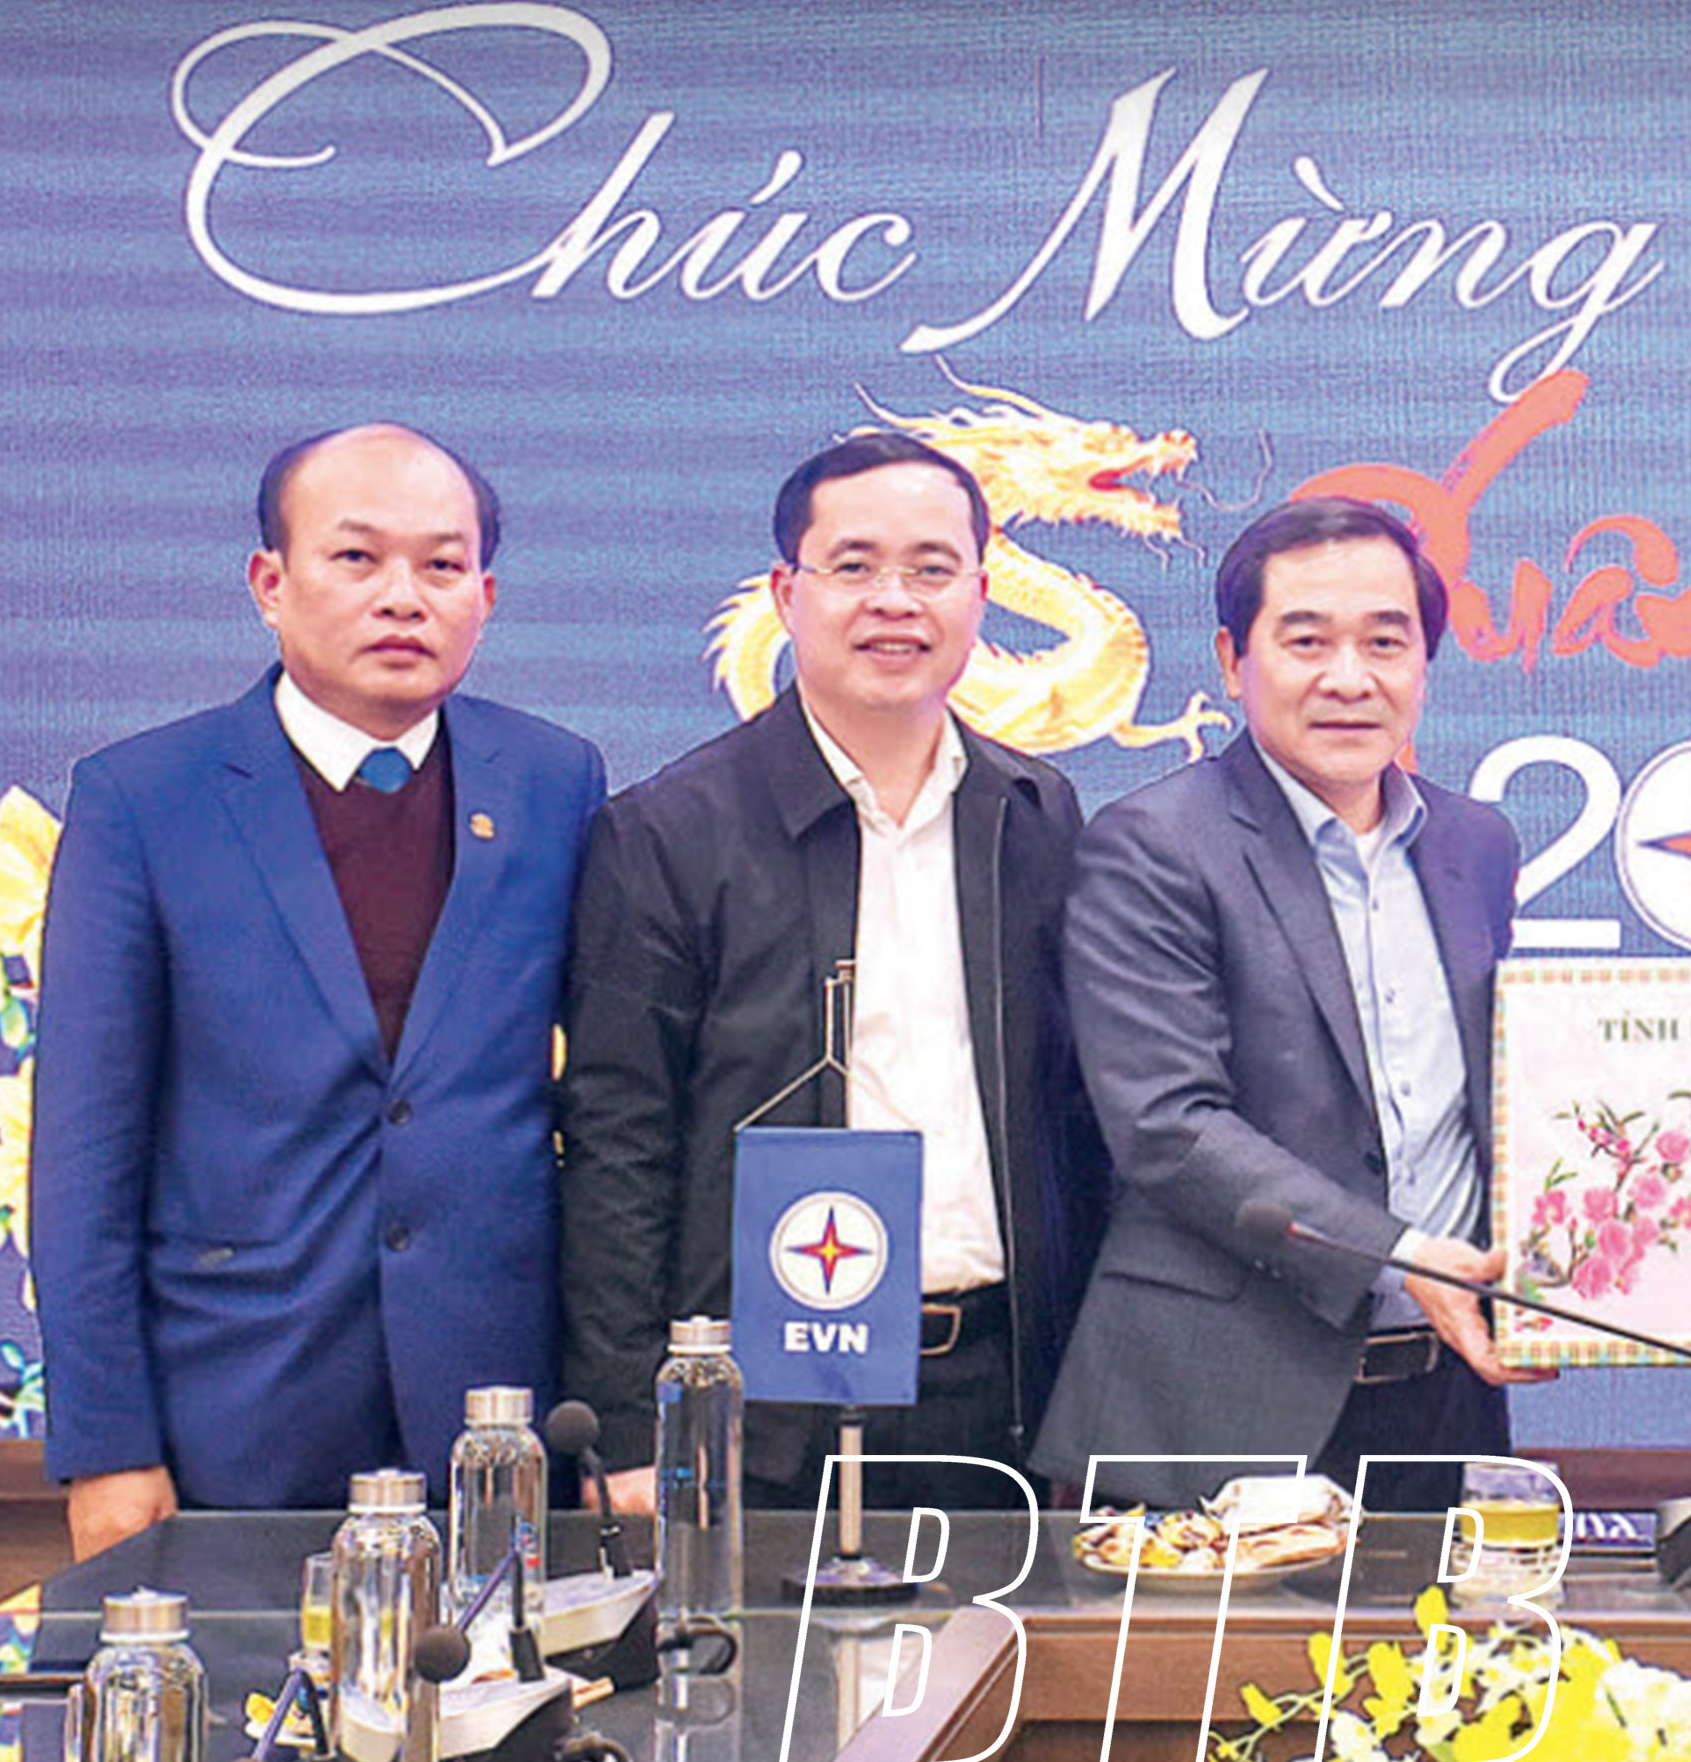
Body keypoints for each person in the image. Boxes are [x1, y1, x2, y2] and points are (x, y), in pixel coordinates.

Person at [34, 424, 604, 1555]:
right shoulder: (144, 798)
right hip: (234, 1414)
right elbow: (86, 1151)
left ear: (485, 596)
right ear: (269, 583)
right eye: (356, 558)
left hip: (496, 1423)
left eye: (442, 566)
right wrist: (105, 1443)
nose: (403, 597)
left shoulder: (554, 780)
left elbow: (604, 1111)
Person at [558, 434, 1101, 1511]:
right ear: (785, 594)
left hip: (1000, 1388)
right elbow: (618, 1142)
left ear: (981, 593)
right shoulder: (668, 832)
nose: (894, 601)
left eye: (932, 569)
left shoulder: (1037, 816)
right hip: (762, 1408)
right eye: (854, 566)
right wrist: (627, 1427)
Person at [1032, 496, 1540, 1512]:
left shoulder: (1476, 844)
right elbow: (1168, 1127)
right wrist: (1400, 1253)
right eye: (1307, 641)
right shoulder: (1153, 845)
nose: (1350, 678)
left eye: (1386, 642)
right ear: (1234, 660)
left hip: (1442, 1394)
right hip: (1218, 1406)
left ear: (1424, 664)